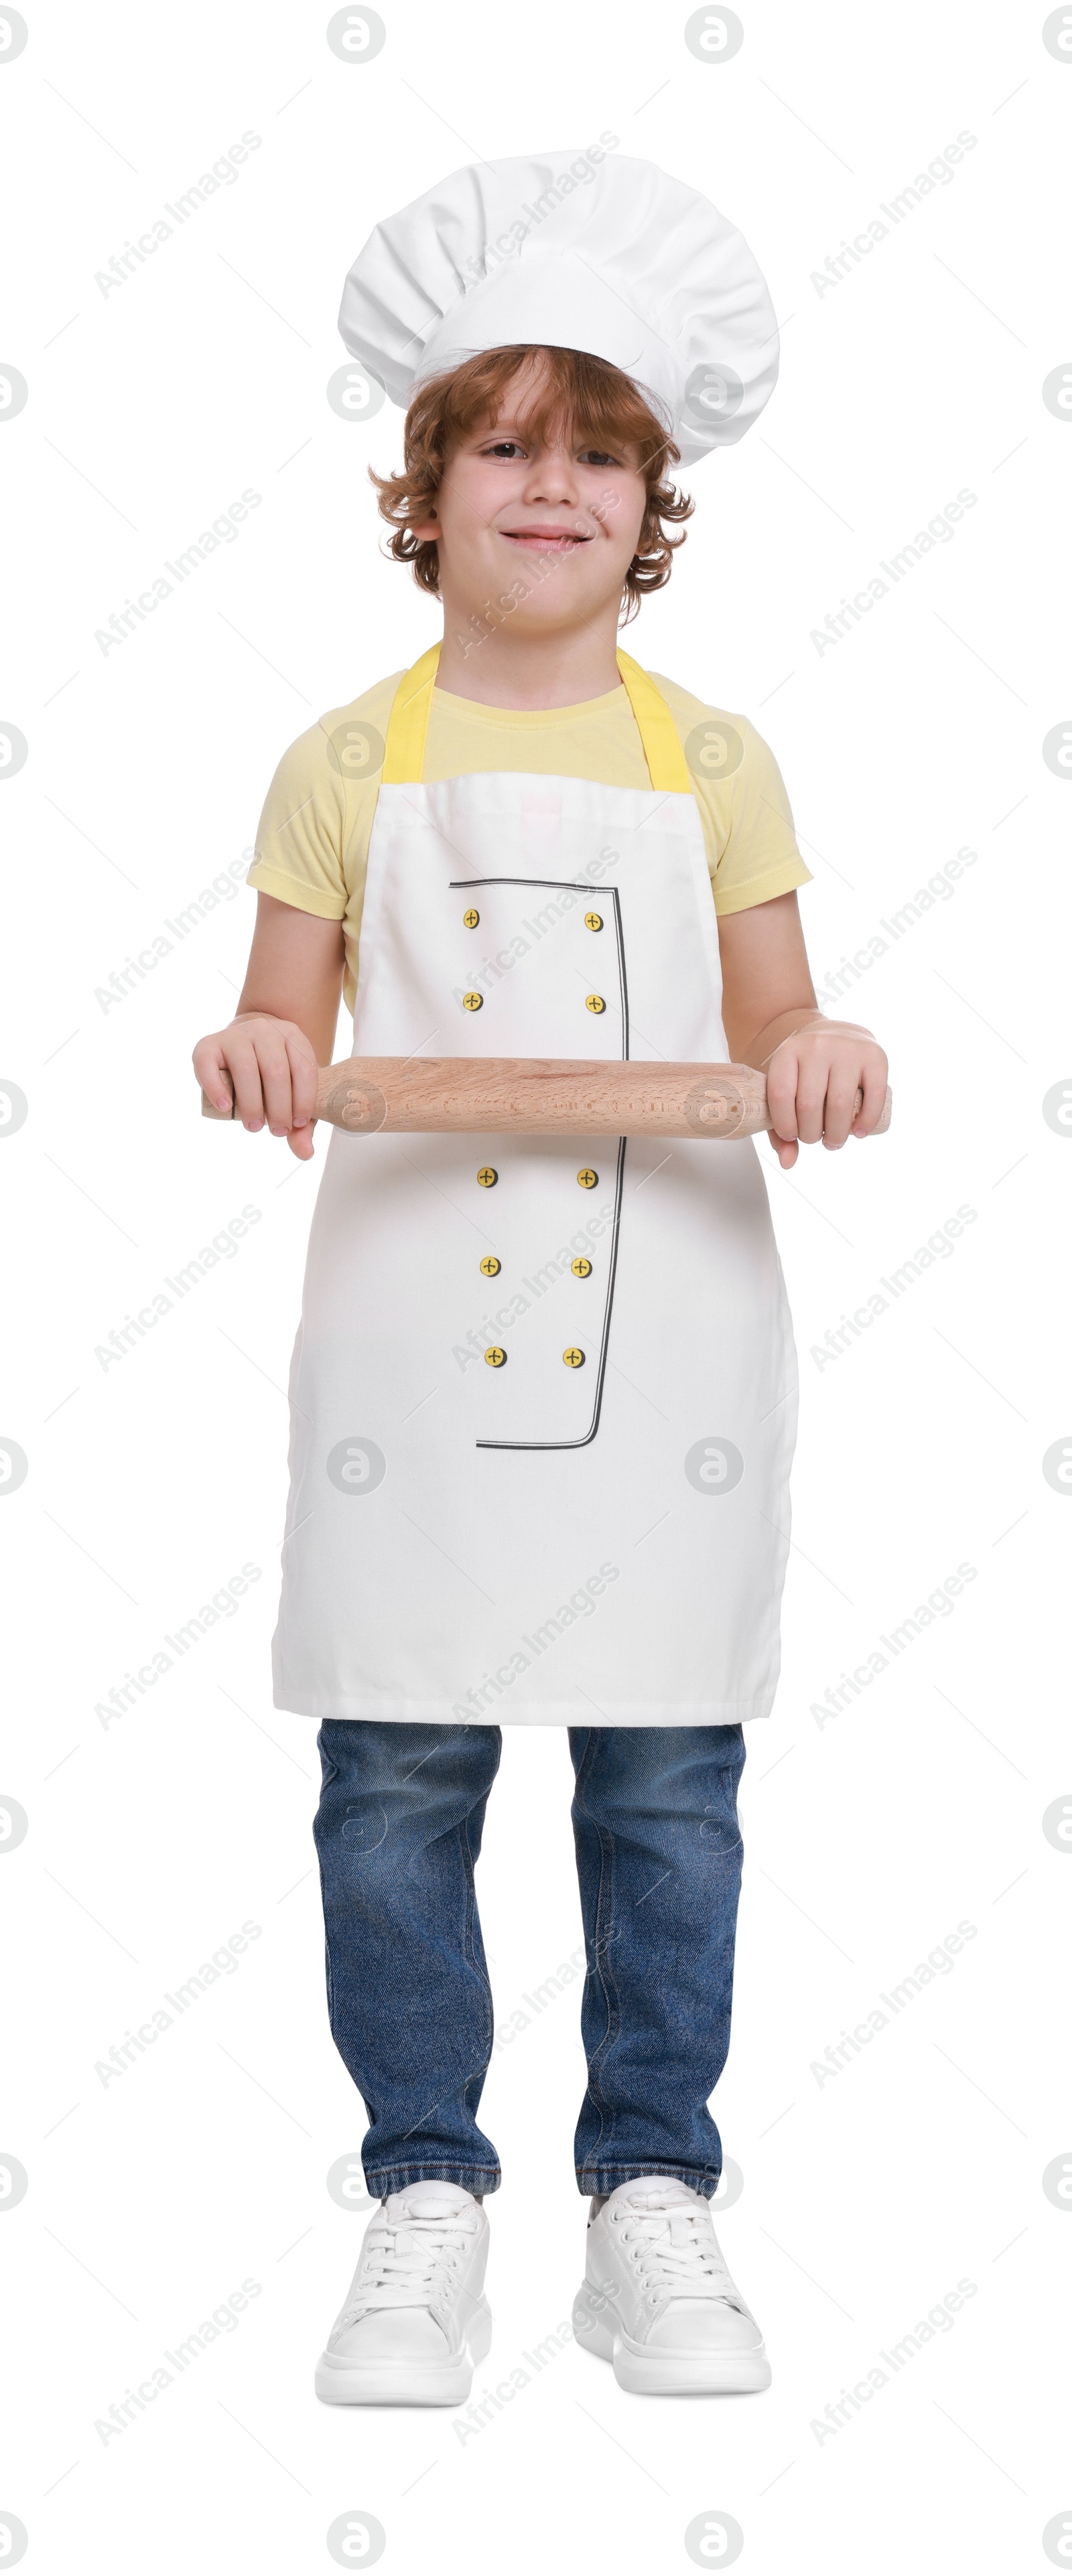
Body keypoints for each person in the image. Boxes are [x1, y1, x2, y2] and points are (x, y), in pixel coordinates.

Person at [193, 149, 888, 2407]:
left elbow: (774, 1016)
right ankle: (426, 2189)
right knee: (399, 1770)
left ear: (654, 497)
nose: (553, 484)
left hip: (669, 1341)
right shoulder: (347, 758)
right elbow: (283, 1011)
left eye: (599, 448)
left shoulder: (712, 762)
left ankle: (646, 2195)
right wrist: (269, 1046)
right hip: (410, 1354)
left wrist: (817, 1055)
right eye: (505, 439)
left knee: (663, 1772)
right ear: (427, 484)